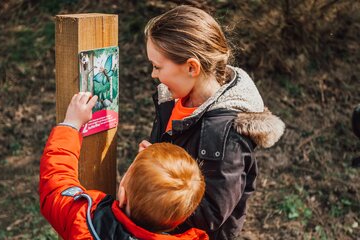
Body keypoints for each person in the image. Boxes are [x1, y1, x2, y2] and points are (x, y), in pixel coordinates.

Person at [138, 5, 285, 239]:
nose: (153, 74)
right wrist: (153, 161)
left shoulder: (227, 135)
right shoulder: (173, 103)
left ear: (191, 67)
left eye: (157, 66)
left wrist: (154, 186)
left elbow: (210, 214)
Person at [39, 92, 208, 240]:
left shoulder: (85, 221)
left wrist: (71, 125)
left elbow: (56, 183)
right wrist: (156, 159)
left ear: (123, 195)